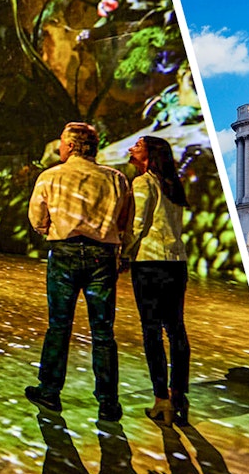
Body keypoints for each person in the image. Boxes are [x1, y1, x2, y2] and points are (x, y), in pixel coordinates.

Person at [26, 122, 132, 422]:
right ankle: (108, 402)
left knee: (59, 326)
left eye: (61, 141)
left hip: (65, 253)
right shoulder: (116, 178)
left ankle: (49, 391)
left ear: (71, 146)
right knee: (103, 333)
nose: (58, 146)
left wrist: (55, 230)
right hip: (102, 257)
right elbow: (125, 221)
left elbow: (37, 218)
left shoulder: (50, 176)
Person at [126, 135, 191, 425]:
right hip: (176, 263)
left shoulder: (143, 183)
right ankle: (179, 395)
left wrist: (122, 254)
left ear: (150, 156)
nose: (130, 148)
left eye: (137, 146)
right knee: (176, 331)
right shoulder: (173, 186)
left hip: (150, 263)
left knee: (152, 332)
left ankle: (160, 400)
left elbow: (137, 224)